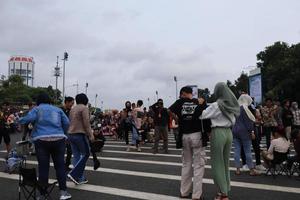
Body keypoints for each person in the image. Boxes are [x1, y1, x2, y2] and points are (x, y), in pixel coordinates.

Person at [19, 93, 71, 200]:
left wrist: (18, 120)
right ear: (49, 100)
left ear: (38, 101)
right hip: (59, 139)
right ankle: (63, 193)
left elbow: (27, 119)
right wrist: (63, 134)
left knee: (43, 168)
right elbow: (66, 122)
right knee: (60, 166)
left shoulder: (37, 109)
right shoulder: (57, 109)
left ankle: (42, 195)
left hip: (41, 140)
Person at [169, 86, 210, 200]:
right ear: (189, 93)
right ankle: (196, 195)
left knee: (186, 164)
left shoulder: (179, 102)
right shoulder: (199, 102)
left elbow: (169, 110)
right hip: (197, 134)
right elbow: (206, 116)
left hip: (185, 136)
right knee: (198, 165)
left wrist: (178, 120)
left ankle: (184, 192)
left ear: (182, 93)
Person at [200, 82, 240, 200]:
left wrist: (201, 104)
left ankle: (222, 193)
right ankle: (225, 189)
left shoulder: (216, 105)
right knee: (225, 163)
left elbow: (203, 115)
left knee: (217, 163)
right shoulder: (232, 104)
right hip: (229, 132)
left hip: (218, 132)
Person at [67, 93, 95, 185]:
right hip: (79, 134)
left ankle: (80, 177)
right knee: (86, 154)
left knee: (76, 156)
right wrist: (90, 135)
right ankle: (75, 174)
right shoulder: (84, 108)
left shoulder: (73, 109)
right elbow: (86, 123)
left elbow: (70, 121)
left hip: (70, 134)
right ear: (85, 100)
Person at [232, 94, 259, 176]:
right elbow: (248, 122)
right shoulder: (244, 108)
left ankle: (237, 169)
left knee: (237, 150)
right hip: (244, 132)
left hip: (235, 131)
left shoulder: (235, 108)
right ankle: (251, 170)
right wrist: (252, 132)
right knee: (247, 151)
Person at [61, 97, 75, 171]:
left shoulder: (71, 111)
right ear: (66, 102)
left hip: (69, 133)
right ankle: (61, 164)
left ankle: (67, 164)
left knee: (70, 150)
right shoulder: (60, 110)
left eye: (73, 104)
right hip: (61, 133)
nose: (72, 105)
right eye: (71, 103)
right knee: (61, 150)